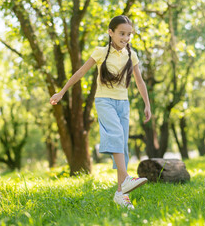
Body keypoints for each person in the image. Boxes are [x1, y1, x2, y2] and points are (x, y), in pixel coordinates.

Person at [50, 15, 151, 209]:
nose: (126, 37)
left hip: (124, 103)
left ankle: (121, 194)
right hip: (105, 101)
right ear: (110, 32)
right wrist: (62, 92)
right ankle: (127, 180)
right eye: (122, 33)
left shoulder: (132, 55)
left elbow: (139, 81)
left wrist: (147, 104)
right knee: (116, 135)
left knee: (122, 146)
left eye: (129, 34)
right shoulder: (100, 52)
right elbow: (80, 72)